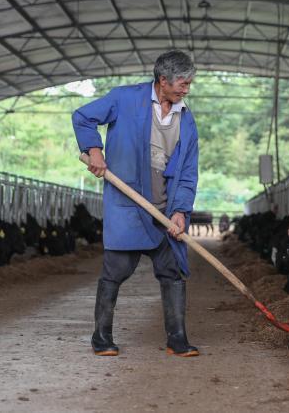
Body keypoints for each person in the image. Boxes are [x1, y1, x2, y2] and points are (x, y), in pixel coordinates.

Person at [72, 50, 199, 357]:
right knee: (115, 270)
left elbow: (187, 172)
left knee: (173, 272)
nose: (186, 89)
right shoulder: (124, 99)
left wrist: (180, 211)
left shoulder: (187, 120)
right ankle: (101, 337)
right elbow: (83, 117)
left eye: (189, 83)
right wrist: (95, 150)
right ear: (162, 80)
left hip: (165, 209)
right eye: (182, 82)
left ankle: (177, 338)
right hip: (129, 203)